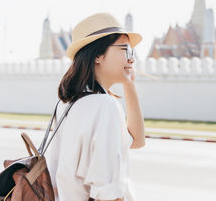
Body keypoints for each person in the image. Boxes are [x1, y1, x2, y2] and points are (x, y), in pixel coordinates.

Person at [46, 12, 145, 201]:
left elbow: (136, 140)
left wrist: (129, 84)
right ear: (98, 55)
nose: (131, 59)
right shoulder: (104, 107)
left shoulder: (68, 103)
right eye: (124, 50)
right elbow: (108, 193)